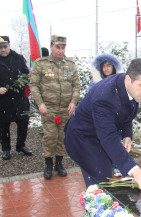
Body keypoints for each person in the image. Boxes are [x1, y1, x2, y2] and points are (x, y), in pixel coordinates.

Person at [64, 58, 141, 191]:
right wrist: (136, 172)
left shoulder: (132, 88)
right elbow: (108, 137)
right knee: (102, 182)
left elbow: (127, 110)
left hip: (100, 133)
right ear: (128, 79)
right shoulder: (104, 98)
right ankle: (96, 208)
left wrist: (127, 135)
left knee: (105, 177)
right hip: (84, 138)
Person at [30, 35, 80, 179]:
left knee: (63, 137)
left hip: (66, 109)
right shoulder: (41, 64)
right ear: (51, 46)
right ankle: (48, 165)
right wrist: (40, 103)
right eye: (57, 47)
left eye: (63, 47)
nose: (60, 50)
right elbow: (34, 85)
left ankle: (59, 164)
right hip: (49, 109)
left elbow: (76, 85)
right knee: (50, 137)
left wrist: (73, 102)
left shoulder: (70, 65)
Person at [89, 53, 125, 177]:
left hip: (115, 117)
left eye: (109, 65)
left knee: (116, 142)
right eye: (104, 66)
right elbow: (90, 99)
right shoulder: (95, 81)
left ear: (114, 66)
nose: (106, 68)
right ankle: (101, 166)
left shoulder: (120, 80)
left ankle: (116, 165)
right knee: (100, 142)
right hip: (100, 118)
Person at [0, 35, 32, 160]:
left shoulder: (18, 58)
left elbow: (26, 74)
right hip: (3, 100)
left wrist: (22, 81)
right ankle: (6, 149)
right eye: (0, 47)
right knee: (3, 126)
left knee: (23, 123)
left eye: (5, 46)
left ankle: (21, 145)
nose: (2, 50)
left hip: (19, 98)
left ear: (9, 45)